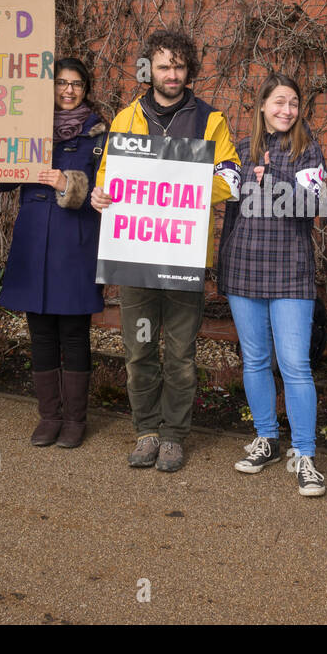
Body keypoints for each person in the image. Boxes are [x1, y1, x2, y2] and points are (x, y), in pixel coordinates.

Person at [92, 29, 241, 473]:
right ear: (149, 70)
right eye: (163, 66)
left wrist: (180, 179)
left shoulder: (211, 120)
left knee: (180, 353)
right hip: (135, 256)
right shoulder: (126, 118)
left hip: (184, 257)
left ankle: (174, 436)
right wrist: (100, 195)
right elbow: (106, 177)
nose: (171, 74)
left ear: (188, 69)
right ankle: (146, 431)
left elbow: (231, 182)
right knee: (139, 350)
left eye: (178, 66)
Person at [0, 58, 107, 448]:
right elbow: (0, 179)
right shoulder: (25, 127)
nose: (69, 90)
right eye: (61, 83)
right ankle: (49, 416)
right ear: (49, 87)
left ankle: (74, 420)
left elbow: (108, 195)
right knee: (39, 331)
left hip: (76, 240)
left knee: (73, 332)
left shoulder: (101, 135)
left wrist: (67, 183)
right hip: (35, 238)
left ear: (86, 89)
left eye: (77, 84)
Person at [217, 73, 327, 496]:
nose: (287, 110)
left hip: (290, 271)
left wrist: (275, 183)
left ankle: (304, 454)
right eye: (279, 102)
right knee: (255, 359)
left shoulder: (307, 149)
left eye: (294, 103)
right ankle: (265, 437)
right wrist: (222, 263)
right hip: (243, 268)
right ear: (262, 105)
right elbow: (229, 211)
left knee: (296, 365)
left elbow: (317, 206)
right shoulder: (240, 151)